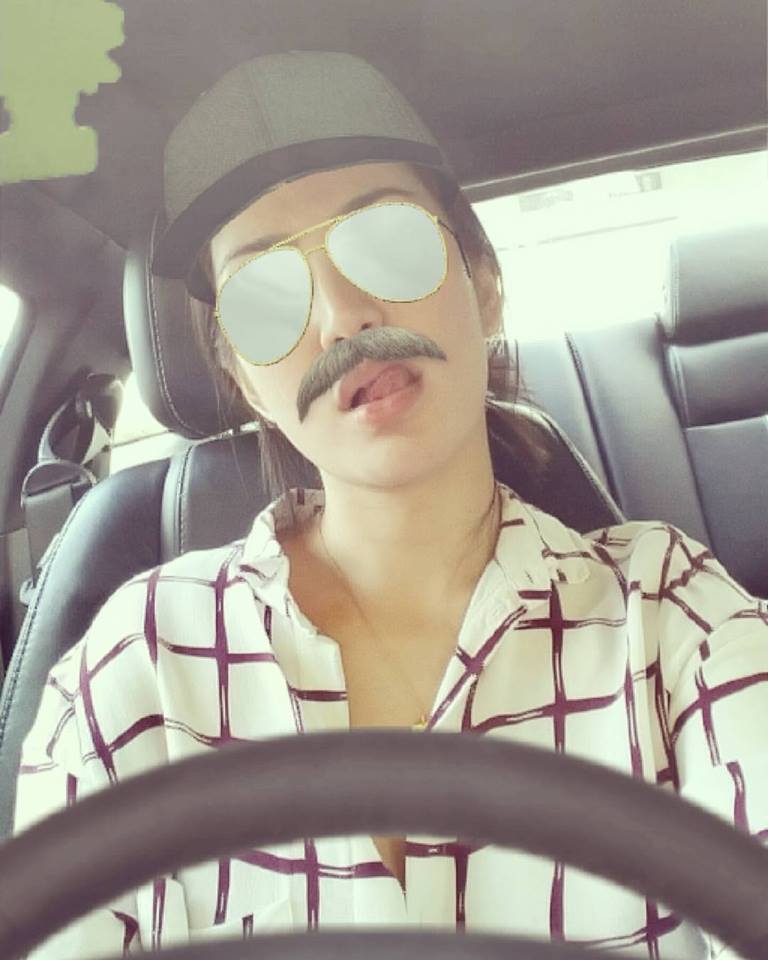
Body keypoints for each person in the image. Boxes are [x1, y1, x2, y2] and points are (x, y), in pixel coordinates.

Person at [12, 50, 767, 959]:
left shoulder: (668, 613)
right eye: (265, 295)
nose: (342, 316)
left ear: (483, 285)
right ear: (246, 382)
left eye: (387, 240)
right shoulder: (135, 663)